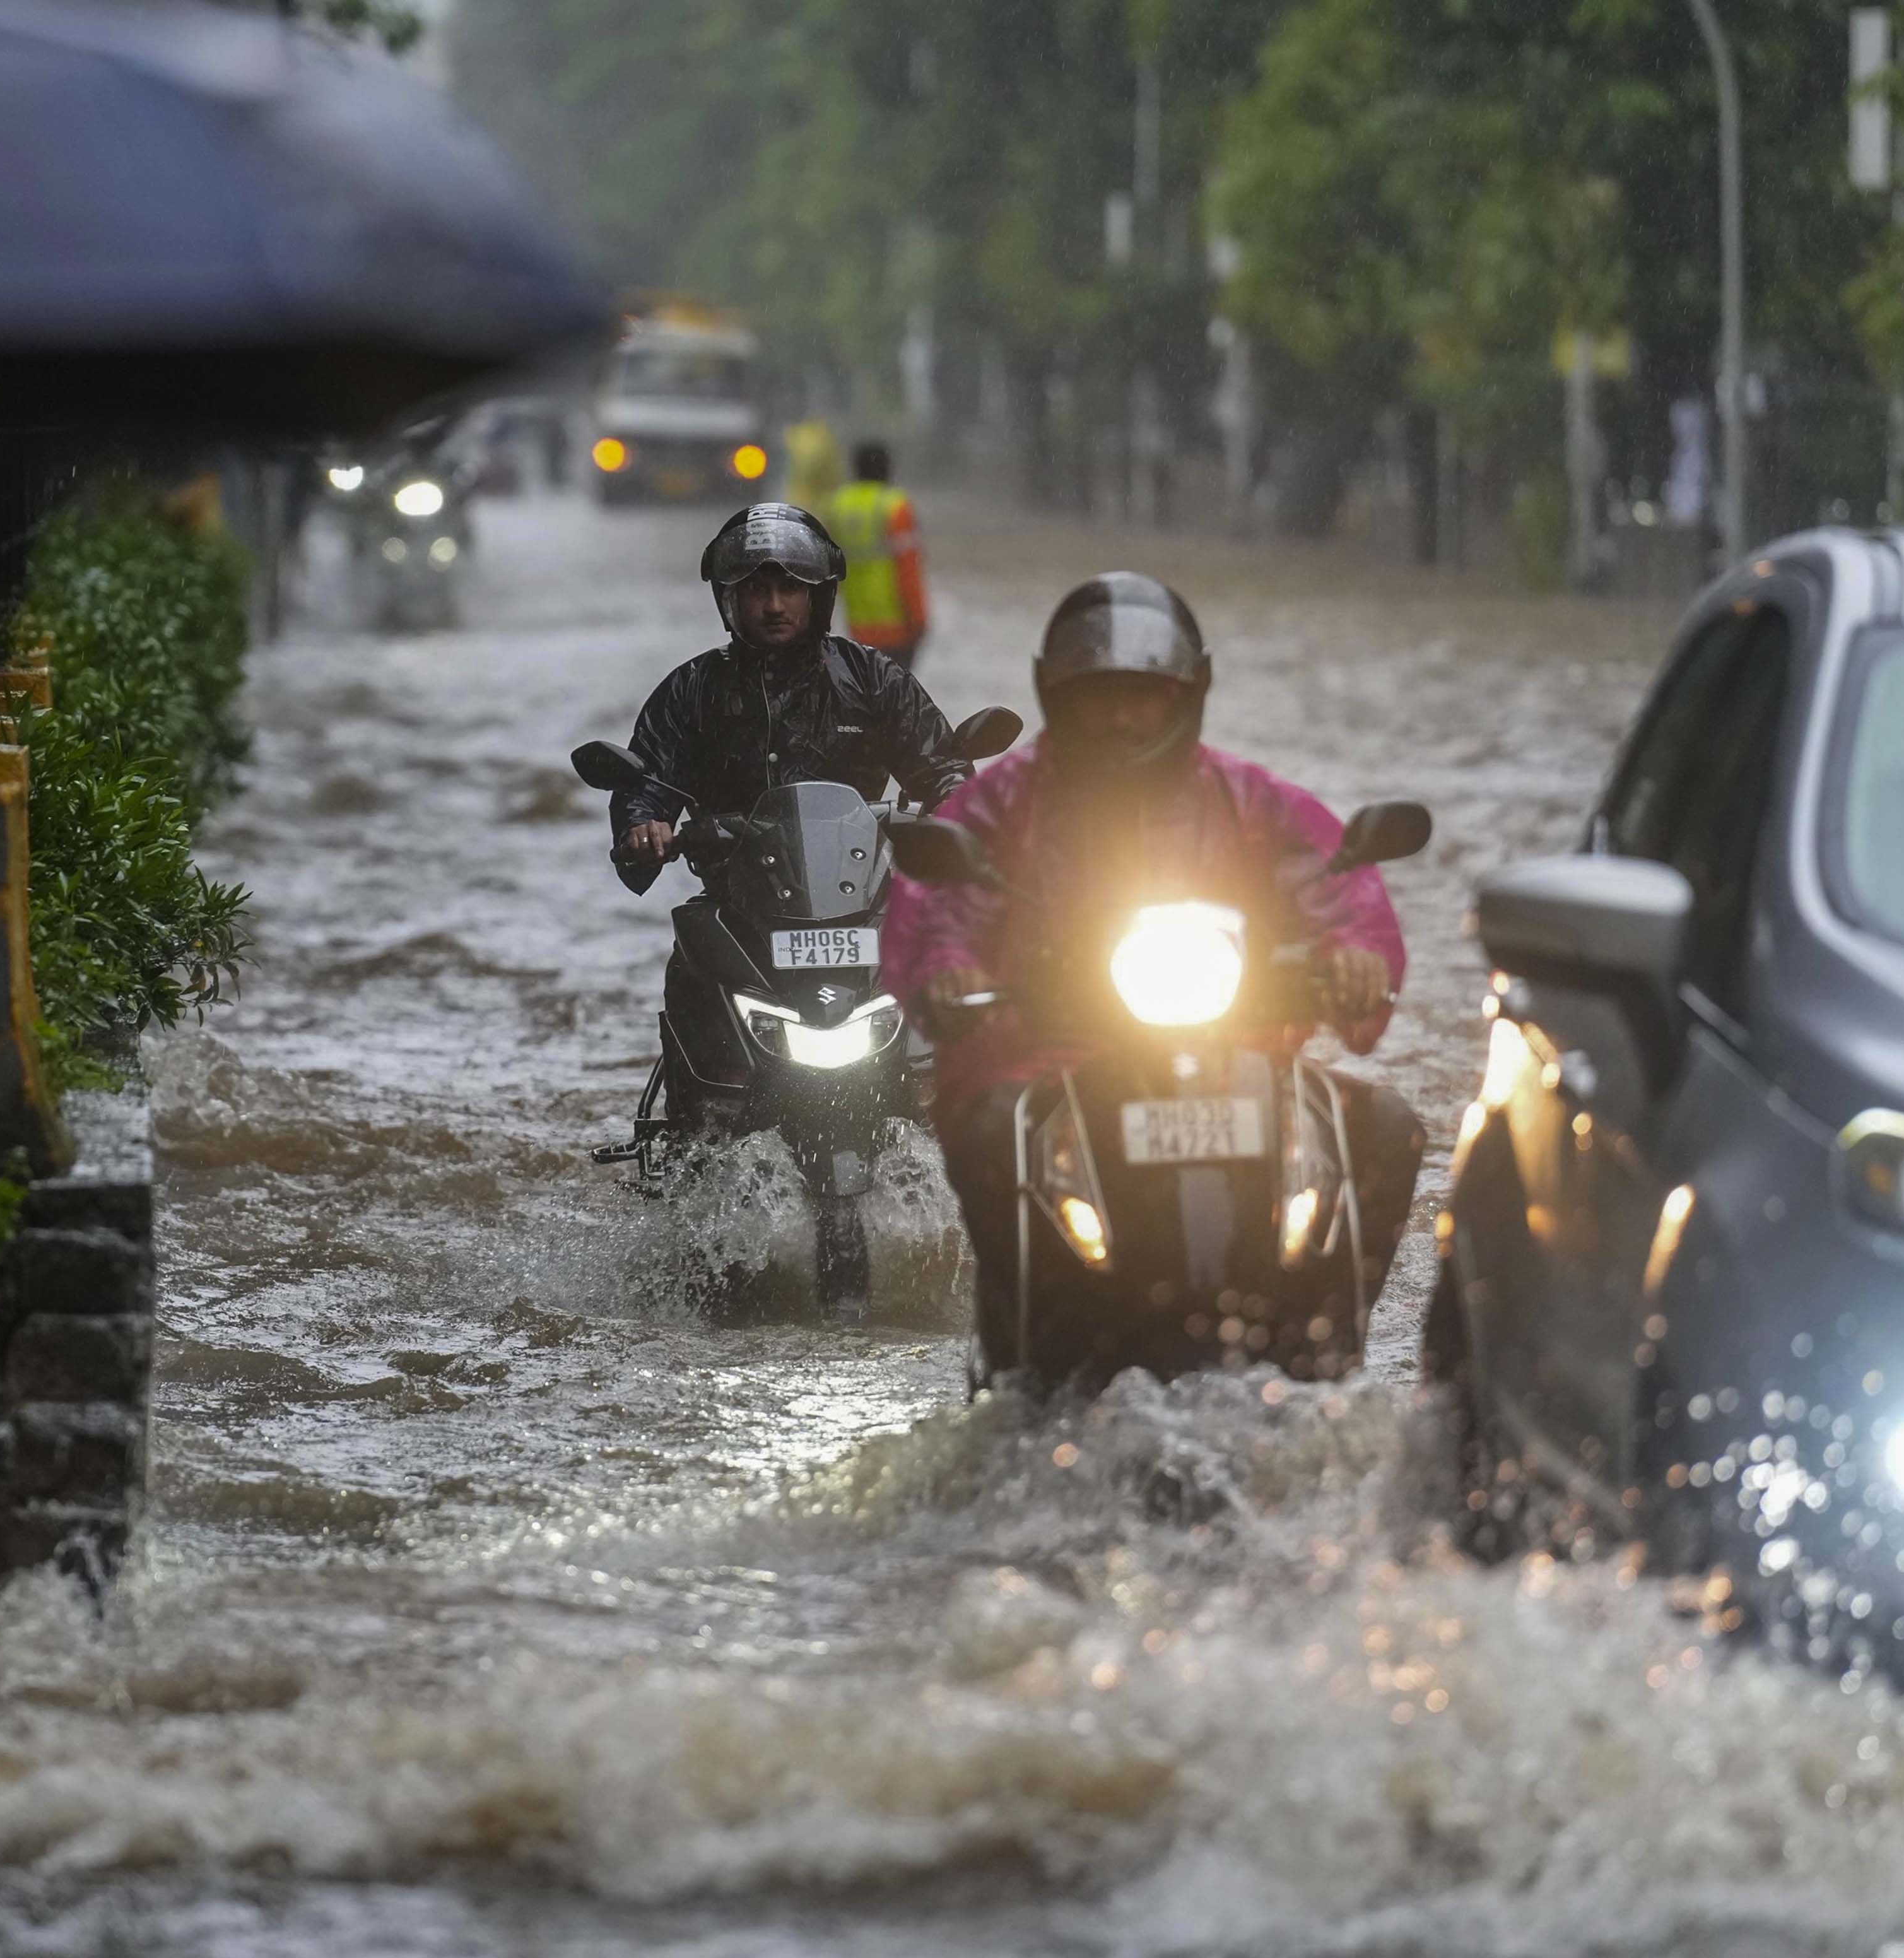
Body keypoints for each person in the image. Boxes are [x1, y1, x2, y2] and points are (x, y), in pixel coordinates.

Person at [881, 571, 1426, 1369]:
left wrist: (1355, 960)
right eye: (1100, 695)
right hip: (1048, 1067)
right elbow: (944, 907)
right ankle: (1024, 1356)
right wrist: (952, 973)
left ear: (1186, 695)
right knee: (994, 1133)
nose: (1123, 715)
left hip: (1238, 1062)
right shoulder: (1001, 804)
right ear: (1058, 697)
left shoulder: (1249, 798)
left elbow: (1332, 886)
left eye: (1145, 693)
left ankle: (1326, 1343)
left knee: (1386, 1128)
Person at [608, 502, 970, 892]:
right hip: (734, 903)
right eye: (758, 591)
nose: (775, 606)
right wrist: (643, 826)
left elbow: (941, 767)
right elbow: (646, 786)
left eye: (791, 588)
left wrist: (954, 808)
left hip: (860, 896)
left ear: (819, 596)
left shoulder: (871, 677)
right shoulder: (691, 688)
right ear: (730, 599)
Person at [825, 442, 930, 669]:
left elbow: (828, 572)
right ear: (888, 468)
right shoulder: (895, 506)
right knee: (897, 700)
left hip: (857, 626)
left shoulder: (838, 506)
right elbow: (908, 570)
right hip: (897, 627)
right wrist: (920, 619)